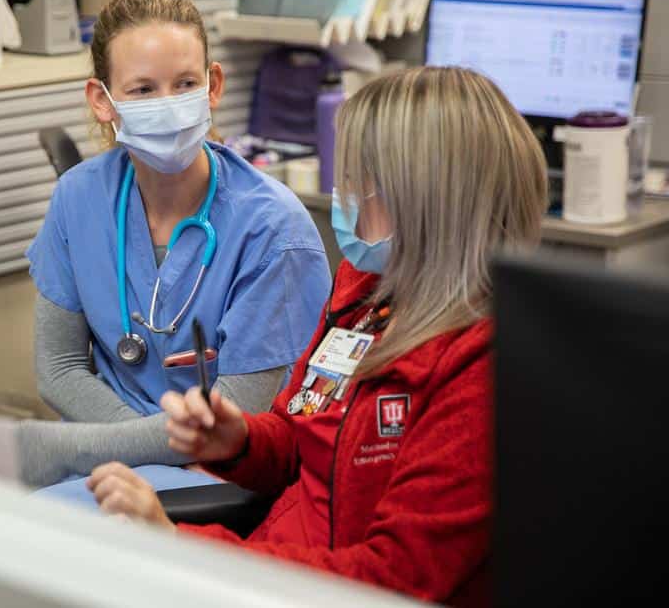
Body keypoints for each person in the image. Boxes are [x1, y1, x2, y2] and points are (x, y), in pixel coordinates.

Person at [88, 66, 549, 605]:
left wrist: (182, 548)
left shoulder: (481, 368)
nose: (345, 197)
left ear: (424, 203)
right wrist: (241, 441)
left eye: (362, 183)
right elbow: (301, 432)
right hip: (271, 572)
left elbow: (396, 580)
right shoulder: (365, 295)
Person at [19, 0, 331, 489]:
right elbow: (58, 367)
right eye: (143, 90)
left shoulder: (274, 230)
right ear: (103, 100)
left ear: (212, 86)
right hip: (109, 455)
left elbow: (230, 420)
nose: (168, 106)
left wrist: (65, 449)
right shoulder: (78, 198)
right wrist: (129, 451)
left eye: (185, 84)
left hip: (216, 476)